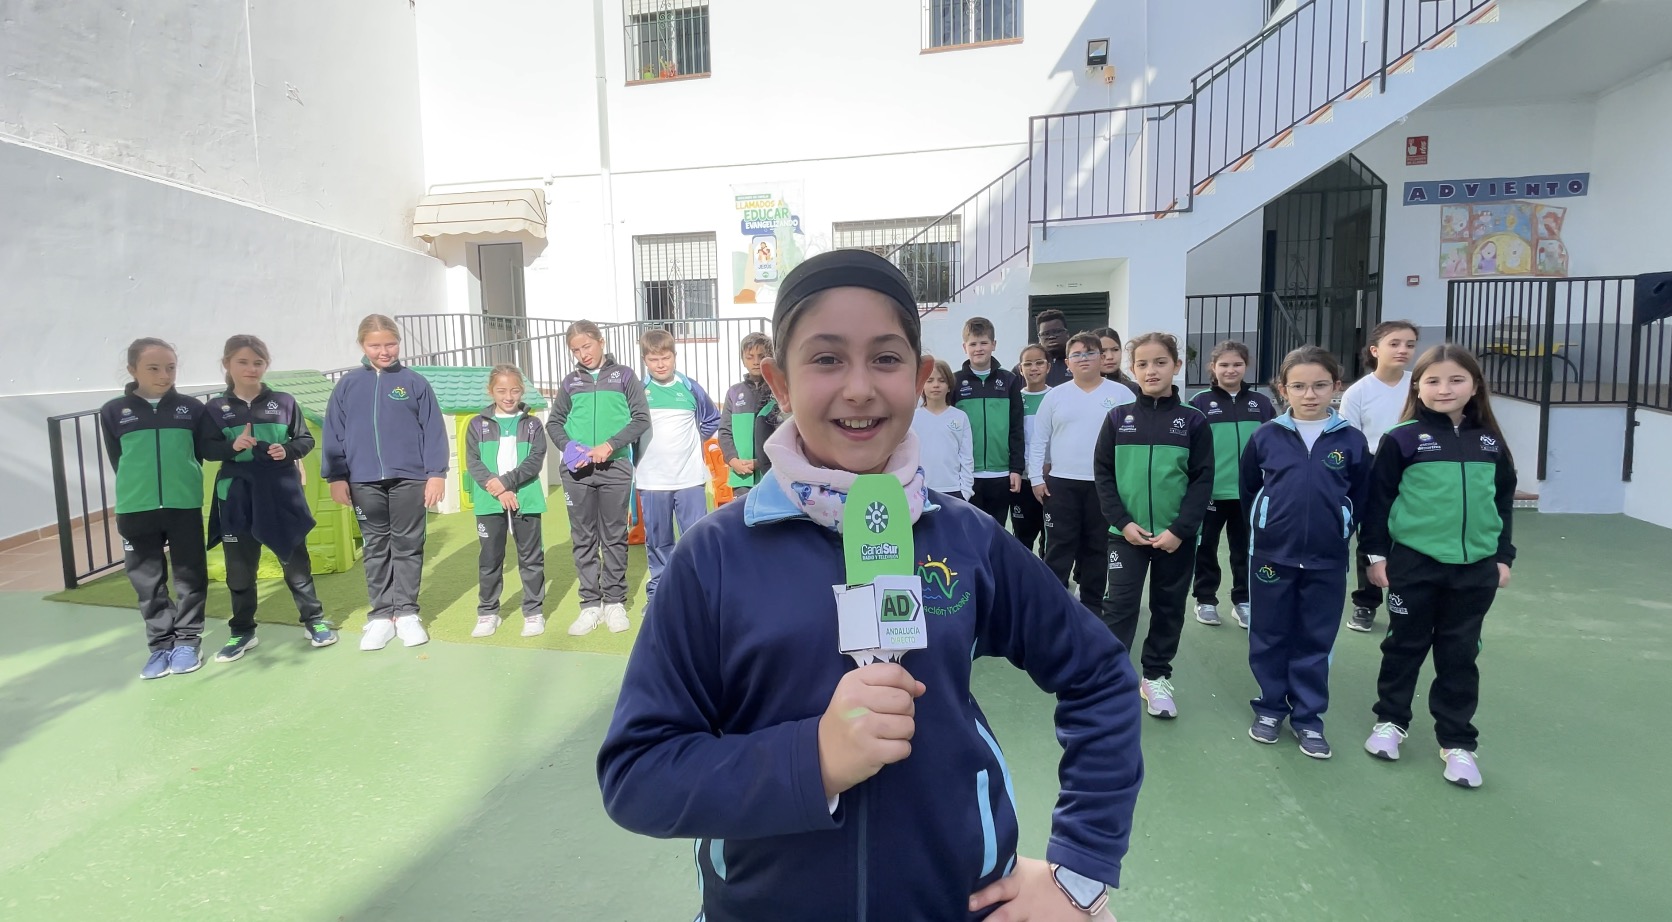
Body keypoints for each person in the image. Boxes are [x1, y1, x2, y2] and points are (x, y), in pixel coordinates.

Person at [597, 249, 1139, 921]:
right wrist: (812, 761)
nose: (859, 388)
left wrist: (1080, 868)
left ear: (920, 376)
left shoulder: (965, 538)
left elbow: (1099, 674)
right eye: (826, 359)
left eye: (885, 358)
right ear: (779, 383)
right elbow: (637, 774)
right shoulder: (713, 557)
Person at [1361, 344, 1516, 789]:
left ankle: (1457, 741)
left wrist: (1502, 556)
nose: (1444, 389)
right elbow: (1378, 501)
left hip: (1475, 570)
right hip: (1414, 565)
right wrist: (1376, 556)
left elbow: (1502, 502)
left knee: (1460, 654)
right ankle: (1390, 721)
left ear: (1475, 385)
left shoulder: (1490, 441)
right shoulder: (1402, 438)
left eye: (1455, 380)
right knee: (1404, 645)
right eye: (1432, 380)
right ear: (1417, 387)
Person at [1238, 346, 1371, 759]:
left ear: (1336, 387)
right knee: (1269, 634)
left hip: (1327, 559)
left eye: (1319, 386)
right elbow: (1249, 490)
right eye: (1298, 386)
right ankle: (1269, 708)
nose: (1309, 394)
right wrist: (1267, 526)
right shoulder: (1265, 436)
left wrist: (1341, 526)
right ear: (1283, 389)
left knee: (1316, 639)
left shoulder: (1352, 440)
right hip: (1271, 556)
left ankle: (1309, 718)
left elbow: (1361, 496)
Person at [1094, 332, 1213, 720]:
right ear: (1132, 369)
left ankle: (1156, 677)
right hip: (1125, 536)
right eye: (1142, 364)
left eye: (1160, 362)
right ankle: (1111, 679)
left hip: (1175, 538)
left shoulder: (1193, 421)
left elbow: (1202, 480)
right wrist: (1123, 522)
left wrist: (1180, 530)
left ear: (1176, 366)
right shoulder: (1117, 418)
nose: (1151, 371)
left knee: (1168, 607)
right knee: (1119, 606)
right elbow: (1103, 475)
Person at [99, 338, 234, 679]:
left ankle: (187, 641)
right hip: (135, 507)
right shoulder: (113, 411)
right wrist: (139, 487)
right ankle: (160, 645)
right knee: (147, 582)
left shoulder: (192, 408)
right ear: (133, 370)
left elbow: (203, 451)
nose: (164, 375)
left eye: (170, 368)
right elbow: (119, 459)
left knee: (190, 575)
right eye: (154, 368)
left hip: (182, 504)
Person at [321, 314, 449, 651]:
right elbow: (333, 432)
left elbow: (433, 430)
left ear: (398, 343)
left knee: (408, 545)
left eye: (390, 343)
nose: (384, 351)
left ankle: (406, 613)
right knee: (376, 546)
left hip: (410, 478)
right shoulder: (348, 385)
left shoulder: (414, 382)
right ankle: (381, 616)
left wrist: (436, 473)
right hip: (363, 480)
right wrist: (336, 476)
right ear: (362, 345)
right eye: (375, 345)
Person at [206, 334, 336, 662]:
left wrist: (287, 450)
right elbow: (206, 448)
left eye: (258, 362)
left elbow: (304, 440)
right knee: (240, 569)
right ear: (227, 364)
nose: (251, 368)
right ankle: (242, 631)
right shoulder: (216, 408)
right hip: (236, 495)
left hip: (280, 492)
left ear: (266, 365)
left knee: (295, 563)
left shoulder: (285, 402)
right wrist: (231, 447)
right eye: (243, 362)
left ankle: (314, 621)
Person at [547, 321, 650, 636]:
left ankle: (614, 602)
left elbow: (641, 419)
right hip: (577, 473)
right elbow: (554, 422)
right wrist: (568, 447)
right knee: (583, 538)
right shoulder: (570, 382)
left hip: (615, 468)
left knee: (614, 536)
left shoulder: (625, 376)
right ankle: (590, 605)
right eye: (576, 350)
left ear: (601, 342)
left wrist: (610, 444)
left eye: (587, 346)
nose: (583, 354)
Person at [1028, 332, 1135, 615]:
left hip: (1104, 486)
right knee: (1059, 548)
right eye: (1076, 354)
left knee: (1097, 548)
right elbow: (1039, 440)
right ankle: (1054, 607)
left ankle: (1091, 607)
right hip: (1061, 485)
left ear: (1102, 357)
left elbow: (1131, 442)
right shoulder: (1054, 396)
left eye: (1090, 353)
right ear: (1067, 362)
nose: (1083, 359)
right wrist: (1036, 479)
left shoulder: (1122, 395)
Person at [1188, 340, 1276, 629]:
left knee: (1244, 549)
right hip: (1210, 492)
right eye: (1224, 364)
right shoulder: (1199, 403)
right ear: (1213, 367)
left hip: (1249, 493)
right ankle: (1205, 600)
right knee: (1206, 548)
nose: (1231, 370)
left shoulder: (1261, 403)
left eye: (1237, 364)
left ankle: (1243, 601)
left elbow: (1274, 445)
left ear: (1246, 366)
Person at [1340, 320, 1420, 633]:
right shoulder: (1358, 392)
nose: (1403, 350)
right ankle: (1366, 602)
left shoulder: (1419, 385)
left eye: (1410, 344)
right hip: (1372, 466)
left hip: (1415, 467)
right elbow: (1350, 440)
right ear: (1375, 350)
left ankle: (1406, 599)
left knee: (1410, 534)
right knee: (1371, 535)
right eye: (1394, 343)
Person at [636, 328, 721, 603]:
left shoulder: (690, 387)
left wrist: (694, 440)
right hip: (652, 480)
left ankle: (697, 594)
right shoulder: (638, 391)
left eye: (666, 357)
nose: (660, 364)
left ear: (675, 356)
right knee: (658, 541)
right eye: (653, 359)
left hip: (690, 479)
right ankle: (659, 596)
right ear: (645, 360)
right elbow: (628, 427)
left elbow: (712, 418)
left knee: (695, 538)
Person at [464, 364, 549, 638]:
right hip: (490, 501)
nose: (508, 396)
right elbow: (473, 463)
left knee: (531, 558)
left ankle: (533, 612)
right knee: (490, 558)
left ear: (521, 391)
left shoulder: (533, 424)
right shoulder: (476, 425)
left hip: (526, 499)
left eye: (514, 390)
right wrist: (499, 490)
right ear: (491, 391)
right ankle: (488, 613)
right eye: (501, 391)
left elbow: (534, 461)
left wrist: (507, 483)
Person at [949, 316, 1024, 525]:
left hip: (1001, 473)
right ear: (964, 347)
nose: (978, 349)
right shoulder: (955, 382)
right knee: (969, 530)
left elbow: (1017, 428)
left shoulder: (1009, 380)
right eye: (973, 344)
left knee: (996, 530)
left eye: (983, 343)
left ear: (994, 344)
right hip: (966, 475)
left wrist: (1016, 469)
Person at [718, 332, 782, 498]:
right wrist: (733, 460)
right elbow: (724, 431)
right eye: (750, 357)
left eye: (761, 356)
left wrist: (761, 461)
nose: (755, 361)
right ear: (742, 359)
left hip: (771, 474)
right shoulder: (734, 392)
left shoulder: (778, 390)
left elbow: (782, 432)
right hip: (742, 476)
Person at [1010, 343, 1053, 555]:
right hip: (1023, 481)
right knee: (1022, 539)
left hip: (1051, 479)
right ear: (1020, 369)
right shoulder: (1015, 399)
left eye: (1039, 363)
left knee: (1051, 539)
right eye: (1028, 364)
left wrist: (1050, 464)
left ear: (1048, 367)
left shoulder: (1057, 396)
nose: (1033, 368)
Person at [912, 357, 974, 499]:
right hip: (921, 491)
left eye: (942, 380)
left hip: (954, 490)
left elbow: (966, 457)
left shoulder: (960, 417)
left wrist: (965, 491)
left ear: (949, 386)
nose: (936, 385)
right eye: (930, 380)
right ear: (921, 386)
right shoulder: (913, 418)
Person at [1029, 309, 1073, 386]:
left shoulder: (1078, 361)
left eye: (1057, 332)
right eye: (1046, 334)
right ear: (1039, 338)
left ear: (1067, 333)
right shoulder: (1027, 366)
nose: (1052, 337)